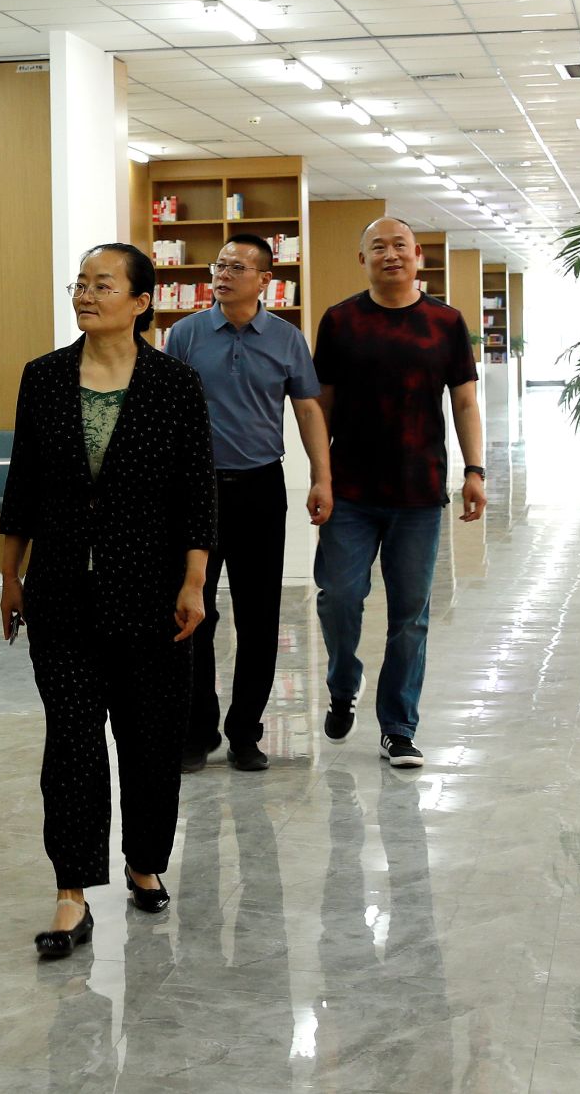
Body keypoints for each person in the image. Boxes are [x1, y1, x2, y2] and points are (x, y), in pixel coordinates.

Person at [0, 242, 214, 958]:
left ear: (142, 301)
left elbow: (197, 491)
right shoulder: (44, 376)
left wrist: (194, 581)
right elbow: (23, 484)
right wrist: (10, 575)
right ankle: (71, 890)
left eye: (103, 285)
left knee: (150, 737)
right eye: (80, 284)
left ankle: (144, 860)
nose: (86, 296)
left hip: (152, 592)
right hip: (61, 592)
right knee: (71, 740)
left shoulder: (175, 384)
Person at [312, 218, 484, 769]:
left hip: (419, 492)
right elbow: (321, 404)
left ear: (418, 257)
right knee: (339, 597)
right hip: (350, 491)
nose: (391, 255)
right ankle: (344, 682)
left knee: (410, 616)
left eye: (400, 246)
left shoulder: (445, 322)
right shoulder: (340, 321)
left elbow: (464, 402)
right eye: (378, 247)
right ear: (362, 259)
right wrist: (320, 474)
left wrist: (475, 470)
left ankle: (399, 727)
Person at [164, 233, 333, 773]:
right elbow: (165, 412)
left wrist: (322, 478)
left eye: (237, 267)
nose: (223, 274)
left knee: (259, 615)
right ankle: (197, 731)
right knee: (194, 611)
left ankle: (245, 733)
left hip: (261, 486)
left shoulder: (286, 339)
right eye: (219, 265)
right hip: (196, 490)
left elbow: (308, 410)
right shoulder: (186, 334)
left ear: (265, 279)